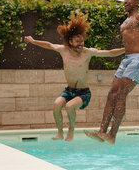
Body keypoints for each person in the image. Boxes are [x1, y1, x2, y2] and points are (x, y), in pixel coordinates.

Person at [24, 12, 125, 141]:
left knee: (69, 106)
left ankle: (71, 131)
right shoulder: (63, 50)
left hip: (83, 93)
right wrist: (33, 41)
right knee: (56, 105)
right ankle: (60, 132)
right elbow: (48, 45)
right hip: (69, 90)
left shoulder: (87, 53)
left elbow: (109, 53)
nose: (80, 44)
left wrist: (125, 49)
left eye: (82, 41)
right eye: (77, 41)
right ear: (70, 41)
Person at [84, 0, 139, 144]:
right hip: (127, 59)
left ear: (137, 2)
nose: (125, 1)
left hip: (138, 59)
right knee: (111, 94)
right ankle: (102, 131)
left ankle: (112, 135)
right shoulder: (125, 22)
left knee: (122, 94)